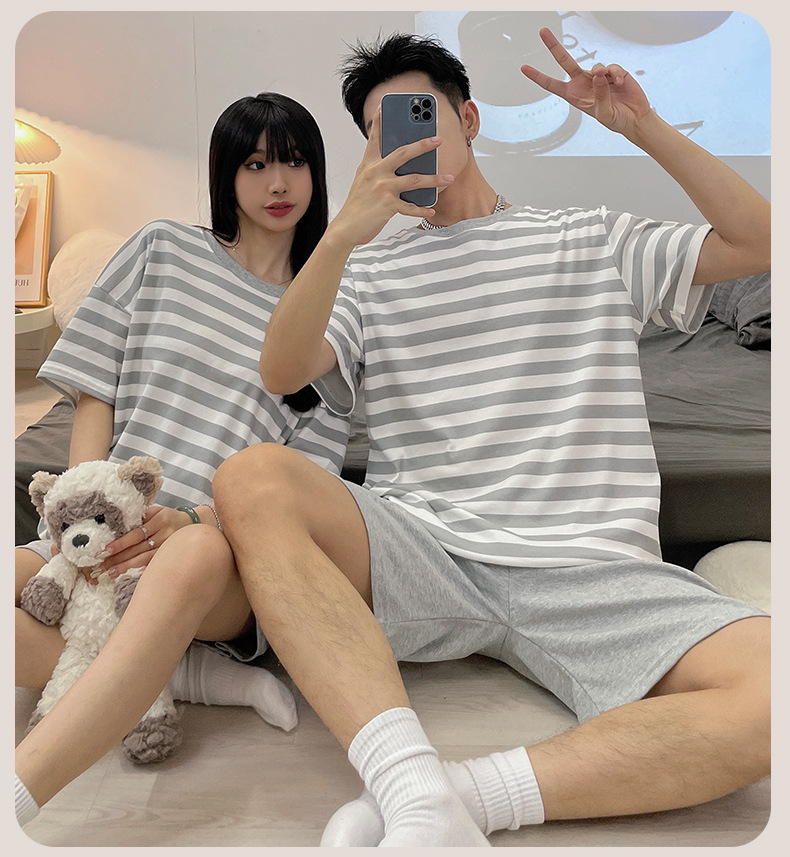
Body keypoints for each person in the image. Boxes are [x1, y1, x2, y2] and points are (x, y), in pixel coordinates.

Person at [210, 29, 771, 847]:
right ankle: (407, 779)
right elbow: (280, 367)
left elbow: (760, 242)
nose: (403, 141)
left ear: (469, 120)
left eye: (419, 115)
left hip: (591, 564)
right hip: (427, 550)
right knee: (253, 476)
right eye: (380, 131)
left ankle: (452, 799)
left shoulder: (587, 237)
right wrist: (340, 237)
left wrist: (642, 127)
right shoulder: (365, 272)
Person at [15, 92, 351, 826]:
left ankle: (165, 654)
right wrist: (81, 509)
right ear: (225, 174)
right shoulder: (161, 249)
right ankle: (183, 673)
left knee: (185, 562)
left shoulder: (329, 315)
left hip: (215, 554)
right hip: (102, 523)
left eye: (294, 161)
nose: (278, 183)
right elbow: (95, 387)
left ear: (317, 173)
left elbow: (308, 479)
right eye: (255, 164)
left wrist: (192, 521)